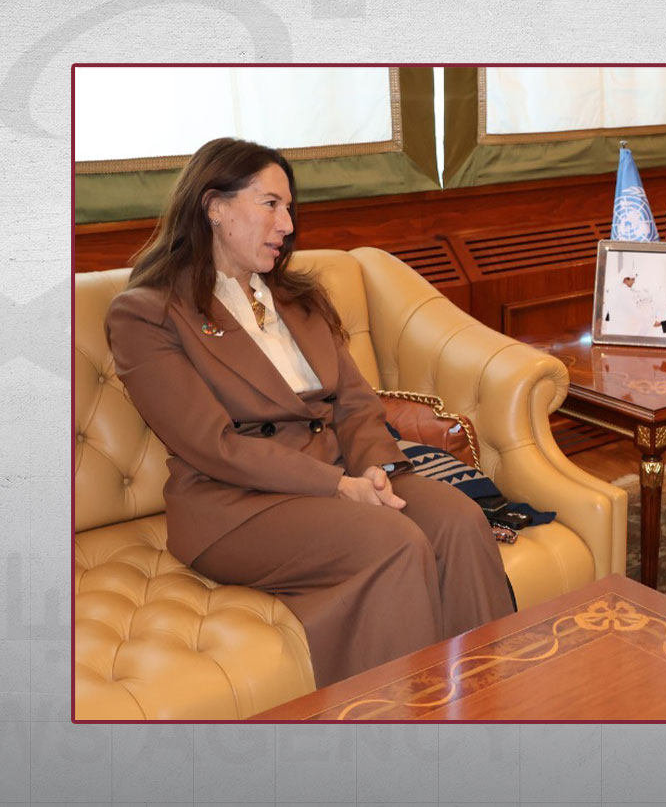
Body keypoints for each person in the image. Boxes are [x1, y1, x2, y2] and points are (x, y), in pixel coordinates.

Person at [105, 137, 514, 687]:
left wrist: (377, 470)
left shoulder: (299, 298)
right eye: (271, 204)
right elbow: (213, 445)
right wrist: (337, 486)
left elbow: (356, 403)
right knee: (393, 543)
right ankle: (392, 719)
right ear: (215, 207)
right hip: (237, 504)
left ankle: (487, 698)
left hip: (343, 474)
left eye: (290, 208)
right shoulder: (147, 314)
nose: (287, 224)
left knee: (460, 522)